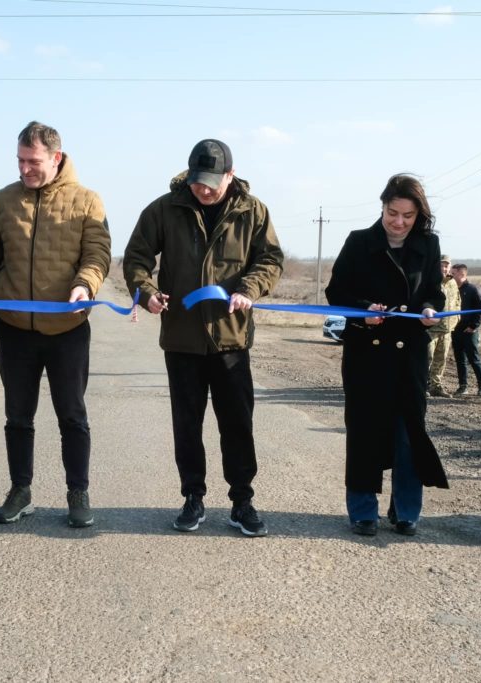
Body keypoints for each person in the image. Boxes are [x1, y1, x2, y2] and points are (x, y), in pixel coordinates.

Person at [124, 139, 283, 537]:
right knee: (187, 424)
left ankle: (242, 501)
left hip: (231, 339)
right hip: (182, 339)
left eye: (212, 182)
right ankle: (192, 497)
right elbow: (137, 256)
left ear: (230, 175)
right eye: (198, 182)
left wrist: (249, 287)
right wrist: (146, 292)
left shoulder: (253, 211)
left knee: (237, 425)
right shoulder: (165, 208)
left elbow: (270, 259)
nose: (204, 189)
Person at [0, 121, 110, 529]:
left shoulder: (88, 201)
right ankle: (21, 491)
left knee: (72, 414)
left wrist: (84, 286)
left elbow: (97, 254)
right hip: (15, 329)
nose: (24, 169)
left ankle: (78, 492)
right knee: (18, 415)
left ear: (56, 157)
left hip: (67, 329)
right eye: (19, 160)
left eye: (32, 161)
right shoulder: (2, 201)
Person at [325, 174, 447, 537]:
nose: (399, 222)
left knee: (409, 432)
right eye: (393, 213)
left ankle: (406, 510)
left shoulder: (429, 244)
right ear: (382, 208)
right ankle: (363, 511)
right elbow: (337, 292)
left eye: (407, 216)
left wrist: (428, 310)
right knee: (364, 431)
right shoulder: (359, 242)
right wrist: (364, 310)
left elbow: (435, 295)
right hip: (367, 352)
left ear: (418, 215)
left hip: (409, 354)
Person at [450, 264, 481, 397]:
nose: (451, 276)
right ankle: (463, 386)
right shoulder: (453, 290)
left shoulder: (473, 289)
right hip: (455, 330)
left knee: (474, 358)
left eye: (453, 273)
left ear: (462, 274)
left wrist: (473, 326)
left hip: (469, 331)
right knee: (459, 359)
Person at [426, 254, 460, 398]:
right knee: (427, 358)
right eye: (441, 265)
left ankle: (436, 386)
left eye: (446, 266)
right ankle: (423, 386)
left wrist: (457, 318)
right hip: (430, 330)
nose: (444, 268)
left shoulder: (452, 283)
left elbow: (457, 301)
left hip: (447, 330)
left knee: (441, 360)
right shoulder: (428, 281)